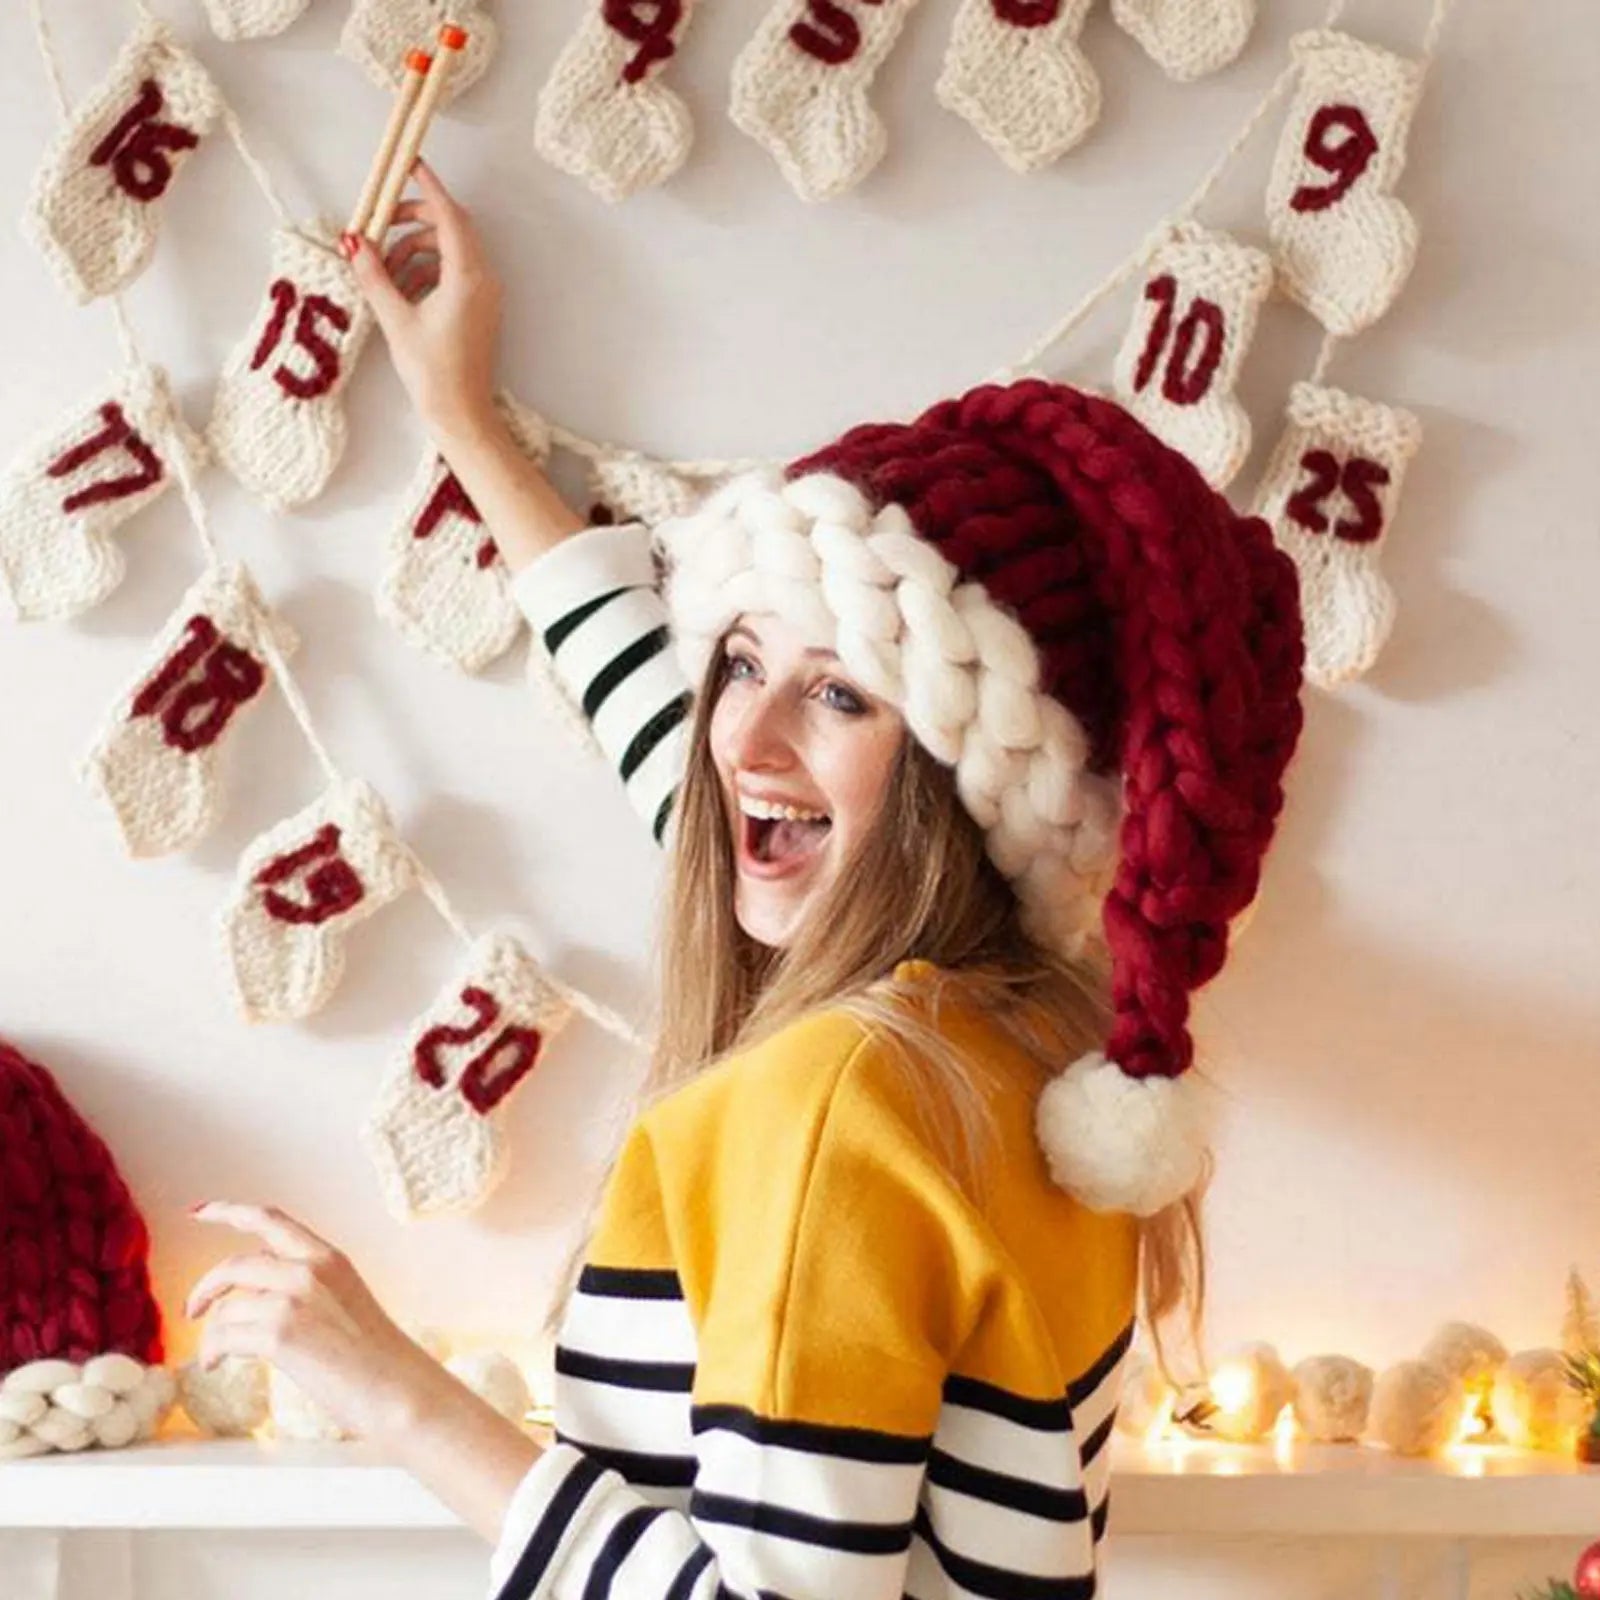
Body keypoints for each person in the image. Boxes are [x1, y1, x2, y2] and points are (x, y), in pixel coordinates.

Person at [185, 160, 1305, 1598]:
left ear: (967, 787)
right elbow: (680, 746)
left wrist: (391, 1389)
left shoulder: (840, 1095)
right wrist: (460, 412)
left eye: (839, 696)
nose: (746, 742)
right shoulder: (1020, 1037)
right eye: (741, 663)